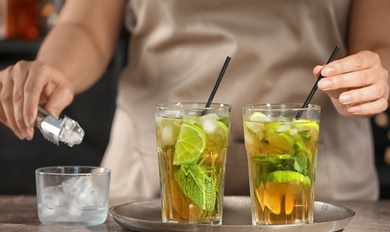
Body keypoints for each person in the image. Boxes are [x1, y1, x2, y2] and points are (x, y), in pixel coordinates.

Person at [0, 0, 389, 200]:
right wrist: (55, 70)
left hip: (321, 183)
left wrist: (372, 75)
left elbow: (380, 43)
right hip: (151, 176)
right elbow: (84, 23)